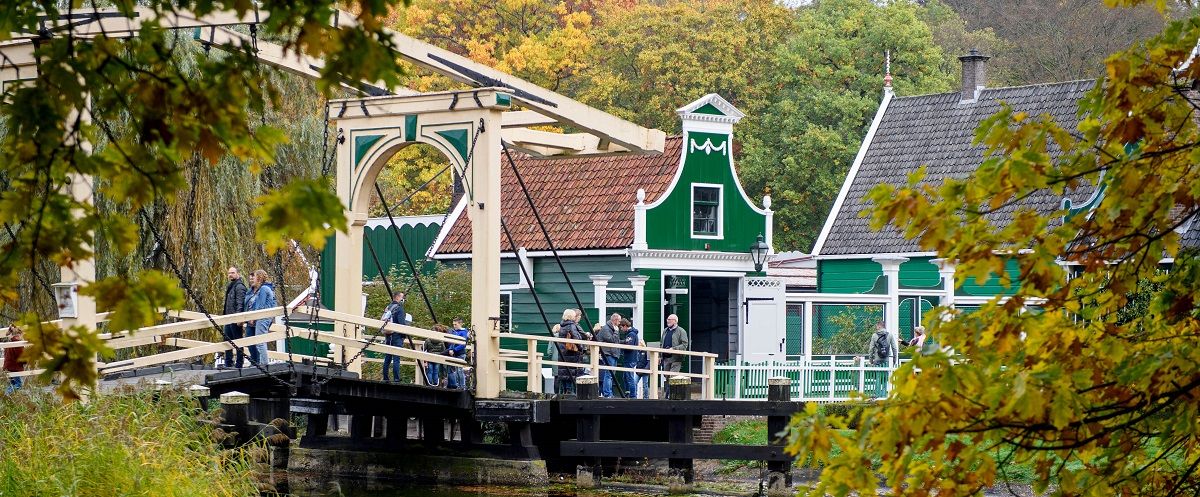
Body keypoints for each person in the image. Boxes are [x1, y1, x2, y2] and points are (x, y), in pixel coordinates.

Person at [246, 269, 277, 366]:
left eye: (255, 277)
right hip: (266, 317)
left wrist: (254, 317)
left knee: (260, 342)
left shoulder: (263, 289)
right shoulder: (268, 288)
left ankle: (264, 364)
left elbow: (260, 305)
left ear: (259, 278)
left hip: (263, 317)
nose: (253, 279)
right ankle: (263, 362)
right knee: (261, 341)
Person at [221, 266, 248, 369]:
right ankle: (228, 363)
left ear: (238, 274)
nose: (230, 275)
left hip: (235, 319)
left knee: (238, 341)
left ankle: (239, 364)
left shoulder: (239, 287)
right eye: (229, 273)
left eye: (232, 273)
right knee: (227, 341)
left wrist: (239, 318)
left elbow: (240, 303)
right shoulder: (231, 286)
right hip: (228, 318)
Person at [554, 309, 584, 395]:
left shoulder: (562, 325)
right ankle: (569, 392)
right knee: (570, 372)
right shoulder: (571, 325)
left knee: (564, 372)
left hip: (563, 352)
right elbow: (576, 338)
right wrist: (581, 348)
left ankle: (565, 392)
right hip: (571, 353)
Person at [380, 292, 407, 382]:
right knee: (396, 357)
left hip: (388, 334)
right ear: (398, 297)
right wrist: (403, 335)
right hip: (396, 335)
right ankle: (396, 378)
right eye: (402, 297)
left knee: (388, 356)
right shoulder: (399, 308)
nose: (403, 299)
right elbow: (401, 323)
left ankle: (385, 377)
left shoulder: (388, 307)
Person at [595, 313, 621, 398]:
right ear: (615, 320)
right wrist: (616, 332)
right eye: (619, 321)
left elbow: (616, 341)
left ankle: (609, 393)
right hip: (609, 353)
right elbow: (612, 340)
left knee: (611, 375)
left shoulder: (612, 328)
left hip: (613, 353)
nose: (619, 323)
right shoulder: (606, 329)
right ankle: (607, 393)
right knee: (609, 374)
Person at [445, 318, 469, 389]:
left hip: (460, 353)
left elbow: (463, 345)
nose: (454, 326)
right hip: (455, 353)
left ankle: (462, 386)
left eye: (456, 324)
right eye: (453, 324)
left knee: (459, 370)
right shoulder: (455, 332)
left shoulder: (463, 332)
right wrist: (450, 349)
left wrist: (454, 350)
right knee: (455, 370)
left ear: (460, 324)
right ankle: (457, 385)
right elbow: (452, 343)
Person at [618, 318, 639, 398]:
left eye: (621, 327)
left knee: (629, 378)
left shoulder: (631, 334)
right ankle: (628, 393)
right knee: (626, 377)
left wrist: (621, 346)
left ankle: (633, 396)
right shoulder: (631, 334)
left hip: (630, 358)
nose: (621, 329)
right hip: (629, 358)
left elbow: (629, 346)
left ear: (625, 326)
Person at [4, 327, 26, 393]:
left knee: (13, 384)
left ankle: (6, 395)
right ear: (18, 335)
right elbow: (21, 356)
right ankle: (6, 394)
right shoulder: (18, 344)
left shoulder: (10, 342)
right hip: (14, 368)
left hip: (9, 367)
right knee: (18, 385)